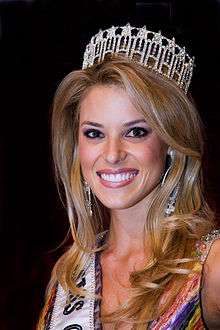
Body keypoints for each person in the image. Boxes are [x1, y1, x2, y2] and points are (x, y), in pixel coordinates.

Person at [37, 24, 220, 329]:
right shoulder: (68, 275)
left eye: (135, 132)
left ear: (170, 143)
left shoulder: (210, 267)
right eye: (94, 133)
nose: (111, 154)